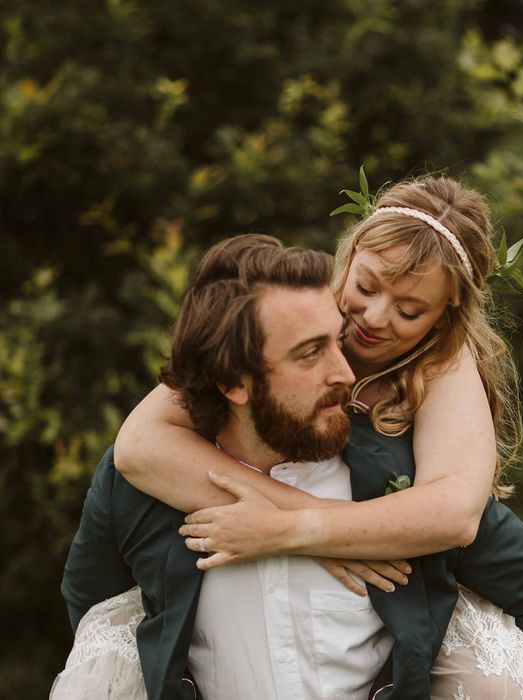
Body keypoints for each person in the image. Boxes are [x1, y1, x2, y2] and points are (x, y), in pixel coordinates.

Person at [114, 177, 523, 697]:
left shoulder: (446, 361)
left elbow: (456, 511)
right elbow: (138, 446)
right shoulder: (288, 315)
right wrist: (307, 525)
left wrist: (295, 532)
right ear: (349, 254)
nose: (373, 319)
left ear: (447, 315)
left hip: (419, 565)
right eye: (366, 286)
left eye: (409, 311)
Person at [55, 237, 391, 699]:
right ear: (234, 381)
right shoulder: (136, 489)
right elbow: (95, 616)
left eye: (338, 341)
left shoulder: (396, 474)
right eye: (310, 353)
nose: (345, 374)